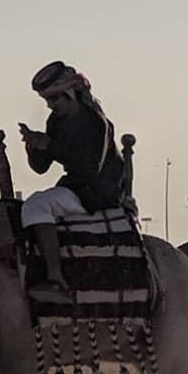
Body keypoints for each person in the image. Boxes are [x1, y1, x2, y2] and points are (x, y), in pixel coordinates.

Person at [14, 62, 134, 282]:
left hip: (97, 192)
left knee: (36, 205)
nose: (50, 105)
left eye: (54, 99)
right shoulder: (56, 121)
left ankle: (54, 276)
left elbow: (89, 167)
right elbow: (41, 167)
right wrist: (33, 145)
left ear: (70, 93)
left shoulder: (96, 122)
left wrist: (49, 145)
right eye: (47, 100)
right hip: (75, 188)